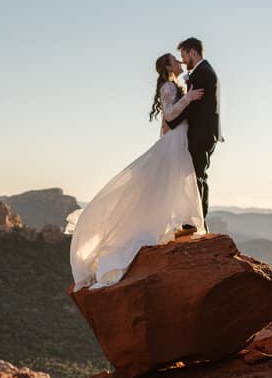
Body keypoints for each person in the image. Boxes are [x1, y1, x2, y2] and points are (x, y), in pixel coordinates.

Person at [65, 52, 206, 291]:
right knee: (168, 184)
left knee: (171, 185)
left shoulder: (174, 84)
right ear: (167, 66)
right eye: (175, 60)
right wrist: (189, 99)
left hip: (178, 140)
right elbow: (170, 114)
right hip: (175, 141)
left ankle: (180, 226)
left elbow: (166, 121)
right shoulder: (169, 86)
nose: (180, 62)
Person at [164, 37, 223, 220]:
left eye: (184, 55)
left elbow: (192, 107)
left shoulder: (202, 73)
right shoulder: (204, 71)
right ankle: (197, 220)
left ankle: (198, 221)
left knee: (198, 177)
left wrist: (171, 122)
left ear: (193, 53)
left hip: (201, 133)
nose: (182, 60)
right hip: (205, 133)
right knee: (198, 176)